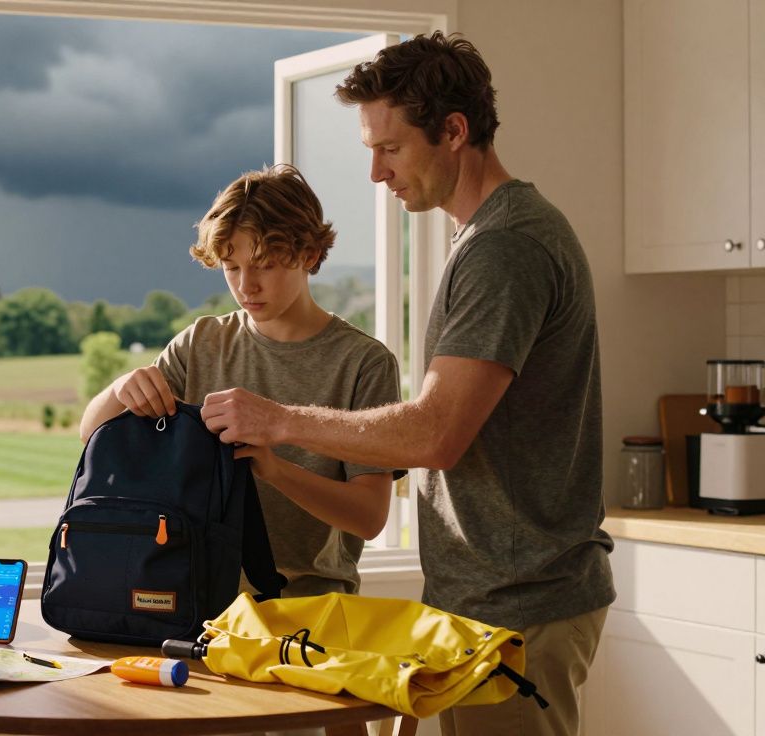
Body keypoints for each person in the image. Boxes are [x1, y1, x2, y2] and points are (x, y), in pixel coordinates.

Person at [197, 32, 613, 736]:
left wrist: (278, 421)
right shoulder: (481, 239)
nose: (376, 175)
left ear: (453, 132)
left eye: (389, 149)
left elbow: (435, 433)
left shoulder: (505, 248)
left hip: (522, 605)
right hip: (489, 595)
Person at [79, 163, 401, 598]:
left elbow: (369, 516)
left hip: (310, 611)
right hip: (196, 605)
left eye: (264, 265)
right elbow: (91, 434)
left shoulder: (364, 363)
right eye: (231, 267)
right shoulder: (200, 343)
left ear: (308, 254)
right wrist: (120, 390)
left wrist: (275, 470)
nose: (247, 286)